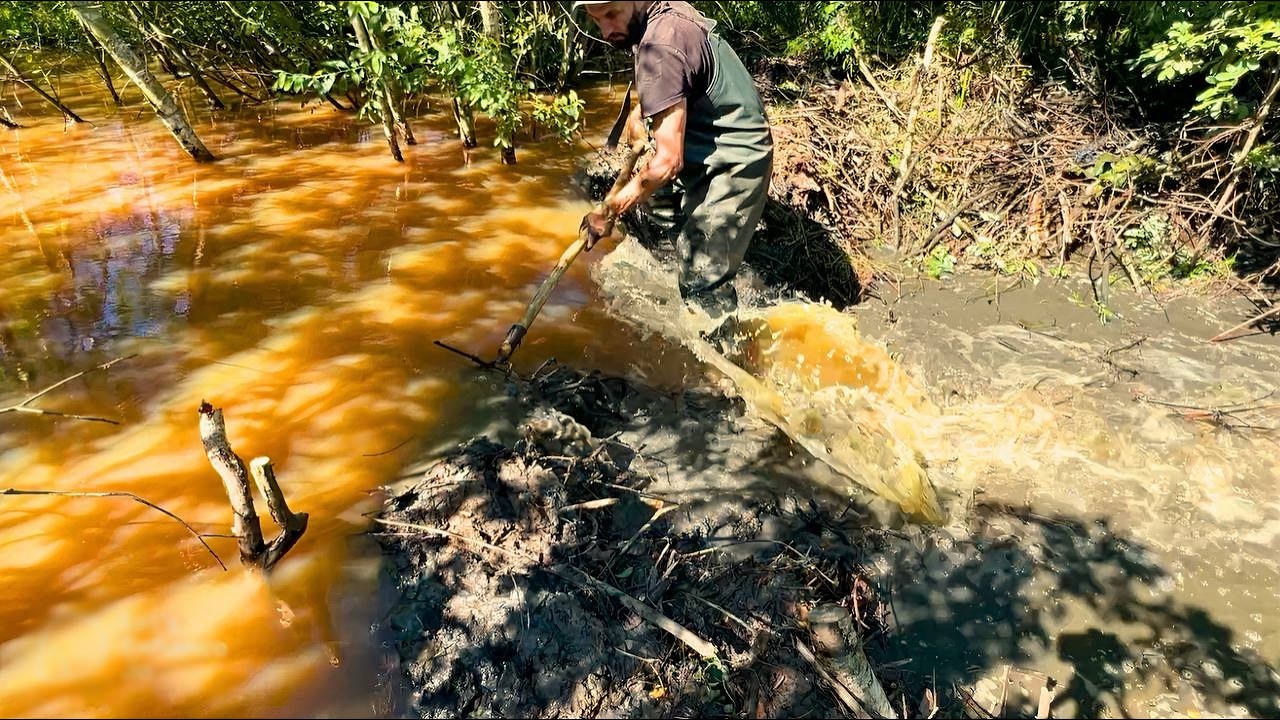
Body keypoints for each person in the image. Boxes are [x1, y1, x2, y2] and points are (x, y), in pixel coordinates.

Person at [576, 1, 774, 324]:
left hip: (737, 156)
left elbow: (668, 161)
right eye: (596, 20)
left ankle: (727, 366)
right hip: (707, 139)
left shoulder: (663, 43)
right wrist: (643, 111)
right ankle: (685, 258)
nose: (606, 31)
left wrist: (609, 211)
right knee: (655, 198)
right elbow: (680, 78)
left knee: (701, 282)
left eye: (611, 14)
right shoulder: (659, 14)